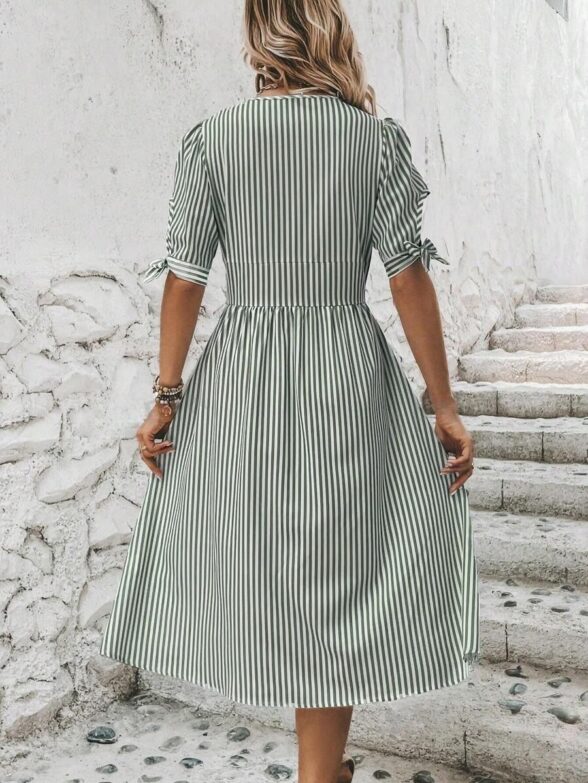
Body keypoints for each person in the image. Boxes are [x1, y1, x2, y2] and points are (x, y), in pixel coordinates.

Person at [99, 1, 480, 781]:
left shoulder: (213, 140)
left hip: (243, 377)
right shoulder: (374, 142)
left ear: (259, 33)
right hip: (345, 371)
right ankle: (319, 772)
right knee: (336, 575)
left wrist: (167, 393)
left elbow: (185, 279)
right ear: (327, 29)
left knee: (256, 559)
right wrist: (441, 402)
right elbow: (406, 275)